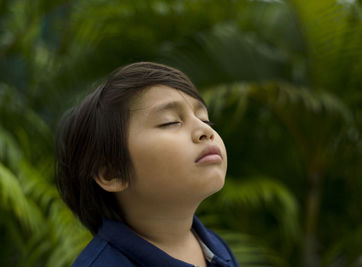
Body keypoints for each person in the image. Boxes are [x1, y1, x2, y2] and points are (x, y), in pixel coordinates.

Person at [55, 62, 239, 267]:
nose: (205, 130)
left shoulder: (217, 250)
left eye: (205, 119)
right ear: (112, 173)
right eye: (170, 122)